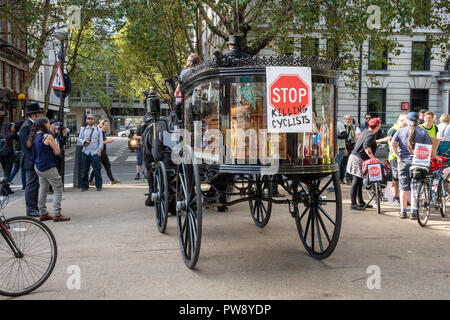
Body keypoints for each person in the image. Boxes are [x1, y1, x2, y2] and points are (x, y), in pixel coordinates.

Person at [392, 112, 438, 219]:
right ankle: (413, 212)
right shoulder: (423, 132)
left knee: (403, 187)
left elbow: (393, 144)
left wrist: (398, 157)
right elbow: (429, 149)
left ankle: (403, 211)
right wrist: (435, 157)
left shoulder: (401, 131)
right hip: (418, 163)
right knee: (415, 187)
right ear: (418, 121)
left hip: (403, 162)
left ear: (408, 121)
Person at [28, 117, 70, 222]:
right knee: (58, 188)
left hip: (38, 166)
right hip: (48, 166)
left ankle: (42, 212)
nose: (50, 125)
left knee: (43, 188)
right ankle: (57, 213)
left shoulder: (34, 136)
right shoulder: (47, 136)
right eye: (48, 123)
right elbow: (57, 151)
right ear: (44, 125)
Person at [346, 118, 384, 211]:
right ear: (378, 126)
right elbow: (366, 147)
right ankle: (353, 204)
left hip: (355, 158)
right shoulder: (371, 135)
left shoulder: (365, 132)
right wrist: (373, 159)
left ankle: (361, 202)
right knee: (356, 182)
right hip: (358, 159)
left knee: (359, 182)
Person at [19, 102, 44, 217]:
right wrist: (36, 160)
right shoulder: (26, 127)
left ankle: (35, 207)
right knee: (31, 186)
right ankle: (30, 209)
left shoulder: (33, 125)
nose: (41, 116)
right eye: (39, 114)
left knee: (36, 185)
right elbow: (27, 147)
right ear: (34, 115)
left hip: (35, 159)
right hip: (30, 161)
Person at [89, 119, 120, 185]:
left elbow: (103, 140)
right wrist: (108, 141)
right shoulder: (98, 132)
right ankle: (90, 180)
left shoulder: (102, 132)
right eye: (106, 125)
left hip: (103, 152)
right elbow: (99, 142)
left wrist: (108, 140)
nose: (107, 126)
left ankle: (112, 180)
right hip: (98, 152)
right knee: (96, 166)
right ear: (101, 125)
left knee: (107, 166)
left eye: (107, 125)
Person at [78, 114, 103, 191]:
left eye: (91, 119)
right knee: (84, 170)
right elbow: (79, 139)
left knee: (97, 170)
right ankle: (85, 186)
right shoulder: (83, 129)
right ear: (86, 120)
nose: (90, 120)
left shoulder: (98, 130)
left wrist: (99, 150)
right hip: (86, 152)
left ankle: (99, 186)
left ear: (94, 120)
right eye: (88, 119)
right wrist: (84, 141)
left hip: (95, 152)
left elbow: (100, 141)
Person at [387, 114, 408, 206]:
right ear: (401, 121)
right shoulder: (393, 130)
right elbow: (392, 144)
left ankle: (403, 198)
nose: (408, 122)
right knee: (395, 178)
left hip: (403, 157)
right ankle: (395, 197)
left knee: (403, 178)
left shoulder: (404, 130)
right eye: (406, 120)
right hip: (395, 158)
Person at [8, 121, 26, 190]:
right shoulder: (21, 133)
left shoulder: (14, 133)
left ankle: (7, 182)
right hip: (21, 153)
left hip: (16, 153)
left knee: (15, 169)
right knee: (23, 170)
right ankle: (24, 185)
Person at [340, 115, 357, 183]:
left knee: (350, 163)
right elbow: (343, 139)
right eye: (346, 119)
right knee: (343, 164)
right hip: (345, 146)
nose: (348, 120)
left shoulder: (351, 127)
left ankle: (348, 179)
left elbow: (354, 137)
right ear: (344, 119)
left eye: (349, 119)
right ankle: (341, 178)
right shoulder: (343, 127)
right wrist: (345, 148)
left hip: (351, 146)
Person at [0, 122, 16, 194]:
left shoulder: (1, 135)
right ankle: (3, 188)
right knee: (7, 172)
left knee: (6, 172)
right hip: (9, 155)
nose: (13, 128)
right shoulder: (11, 135)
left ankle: (6, 187)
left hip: (2, 155)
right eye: (12, 127)